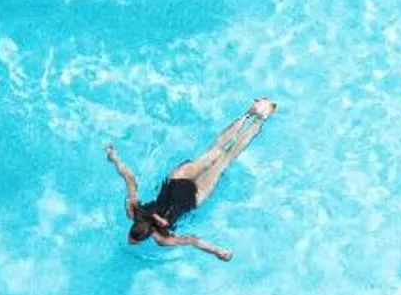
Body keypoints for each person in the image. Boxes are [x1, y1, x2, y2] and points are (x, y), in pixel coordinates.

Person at [107, 101, 276, 261]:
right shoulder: (134, 211)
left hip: (192, 197)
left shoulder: (161, 238)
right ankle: (250, 114)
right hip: (178, 183)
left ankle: (259, 119)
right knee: (217, 151)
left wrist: (218, 251)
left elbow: (192, 240)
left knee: (225, 158)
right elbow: (130, 179)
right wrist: (115, 159)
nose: (130, 241)